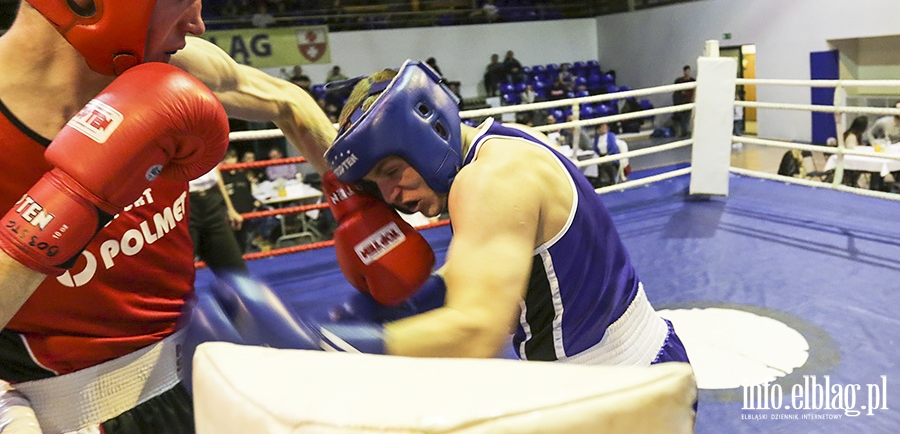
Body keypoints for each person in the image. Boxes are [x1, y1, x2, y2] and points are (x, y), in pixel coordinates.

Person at [0, 0, 339, 432]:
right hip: (75, 410)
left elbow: (287, 101)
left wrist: (359, 200)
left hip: (194, 376)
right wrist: (66, 204)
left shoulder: (176, 67)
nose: (199, 23)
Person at [191, 61, 691, 373]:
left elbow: (477, 331)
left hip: (612, 379)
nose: (391, 196)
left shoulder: (489, 181)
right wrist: (386, 312)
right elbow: (484, 270)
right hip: (627, 360)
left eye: (391, 171)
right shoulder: (495, 146)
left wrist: (330, 349)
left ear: (425, 134)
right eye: (376, 184)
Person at [188, 164, 247, 275]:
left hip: (212, 201)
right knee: (179, 278)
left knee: (238, 273)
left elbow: (214, 168)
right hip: (181, 203)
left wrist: (230, 207)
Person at [592, 122, 628, 187]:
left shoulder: (611, 135)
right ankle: (598, 181)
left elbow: (613, 148)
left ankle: (612, 180)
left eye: (605, 126)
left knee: (607, 163)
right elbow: (595, 149)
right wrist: (597, 157)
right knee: (594, 163)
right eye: (602, 127)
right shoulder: (597, 138)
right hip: (601, 156)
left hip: (611, 156)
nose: (604, 128)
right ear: (598, 129)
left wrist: (606, 157)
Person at [841, 116, 868, 188]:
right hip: (849, 162)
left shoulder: (857, 135)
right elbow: (851, 150)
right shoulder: (851, 136)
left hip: (854, 160)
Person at [672, 65, 695, 137]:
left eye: (688, 71)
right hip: (681, 102)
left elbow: (694, 91)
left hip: (689, 101)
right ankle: (684, 132)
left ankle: (685, 132)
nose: (687, 72)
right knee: (682, 118)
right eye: (686, 71)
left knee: (687, 118)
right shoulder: (679, 81)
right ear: (684, 72)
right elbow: (676, 92)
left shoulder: (693, 81)